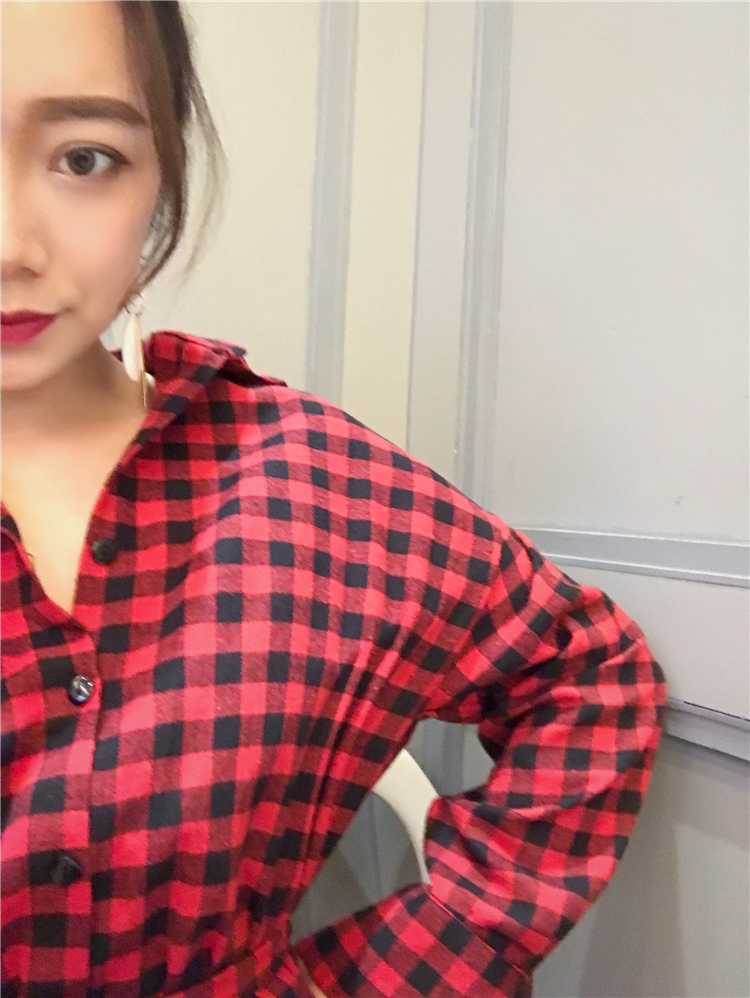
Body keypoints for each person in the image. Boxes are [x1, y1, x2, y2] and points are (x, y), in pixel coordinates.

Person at [0, 3, 668, 997]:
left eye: (85, 159)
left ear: (162, 178)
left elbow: (590, 676)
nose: (10, 243)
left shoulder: (303, 482)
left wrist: (405, 967)